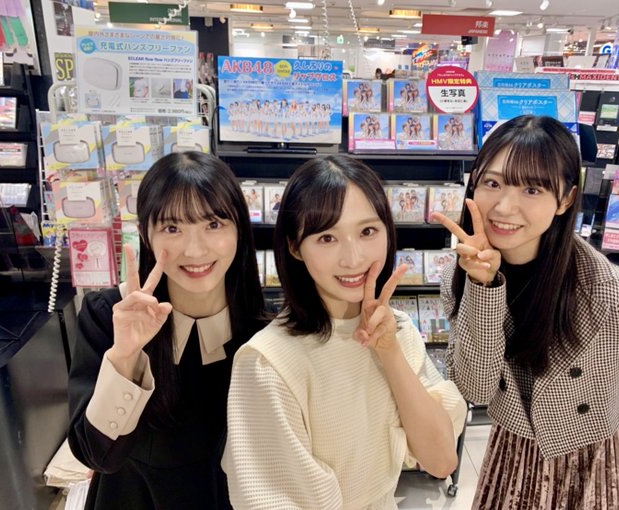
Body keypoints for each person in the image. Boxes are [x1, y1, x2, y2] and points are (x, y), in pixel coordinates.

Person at [432, 115, 619, 509]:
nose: (504, 206)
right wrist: (484, 287)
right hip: (517, 446)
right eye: (492, 183)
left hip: (598, 449)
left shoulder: (617, 292)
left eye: (532, 188)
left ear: (565, 200)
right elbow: (476, 388)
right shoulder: (457, 280)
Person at [222, 155, 467, 508]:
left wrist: (389, 351)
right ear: (294, 246)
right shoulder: (267, 362)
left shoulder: (398, 330)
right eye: (326, 237)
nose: (353, 259)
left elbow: (441, 460)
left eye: (367, 232)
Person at [68, 152, 268, 509]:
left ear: (240, 229)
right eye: (172, 228)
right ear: (145, 235)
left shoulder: (262, 330)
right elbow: (96, 455)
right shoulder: (109, 315)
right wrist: (125, 358)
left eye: (213, 224)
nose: (195, 250)